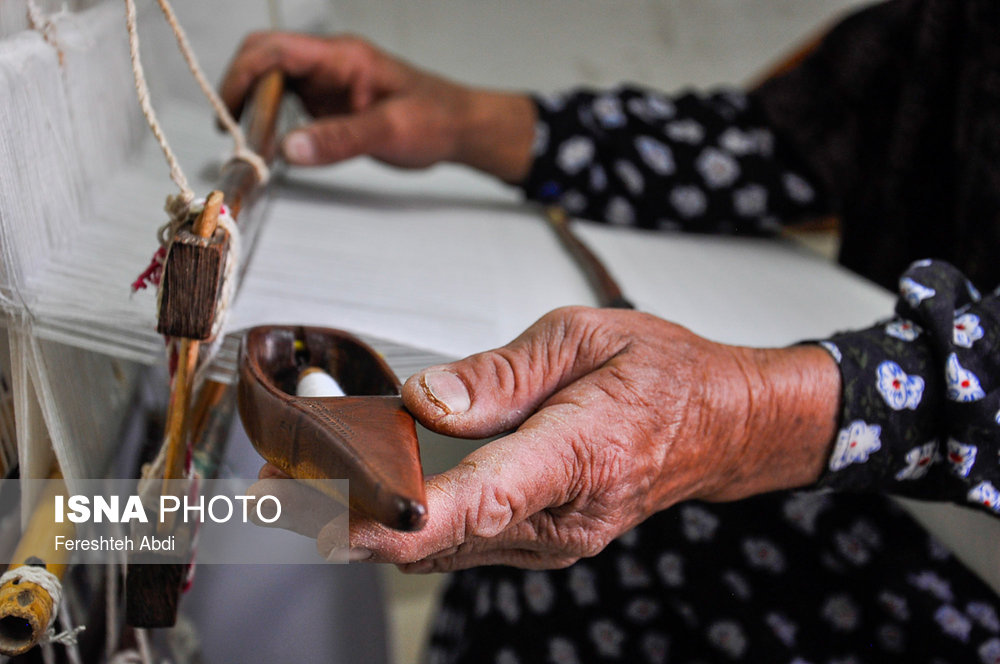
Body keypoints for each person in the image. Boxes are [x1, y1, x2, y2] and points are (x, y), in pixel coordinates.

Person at [222, 0, 1000, 660]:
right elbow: (766, 151)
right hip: (850, 482)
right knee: (541, 549)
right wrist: (466, 122)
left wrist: (729, 417)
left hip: (946, 568)